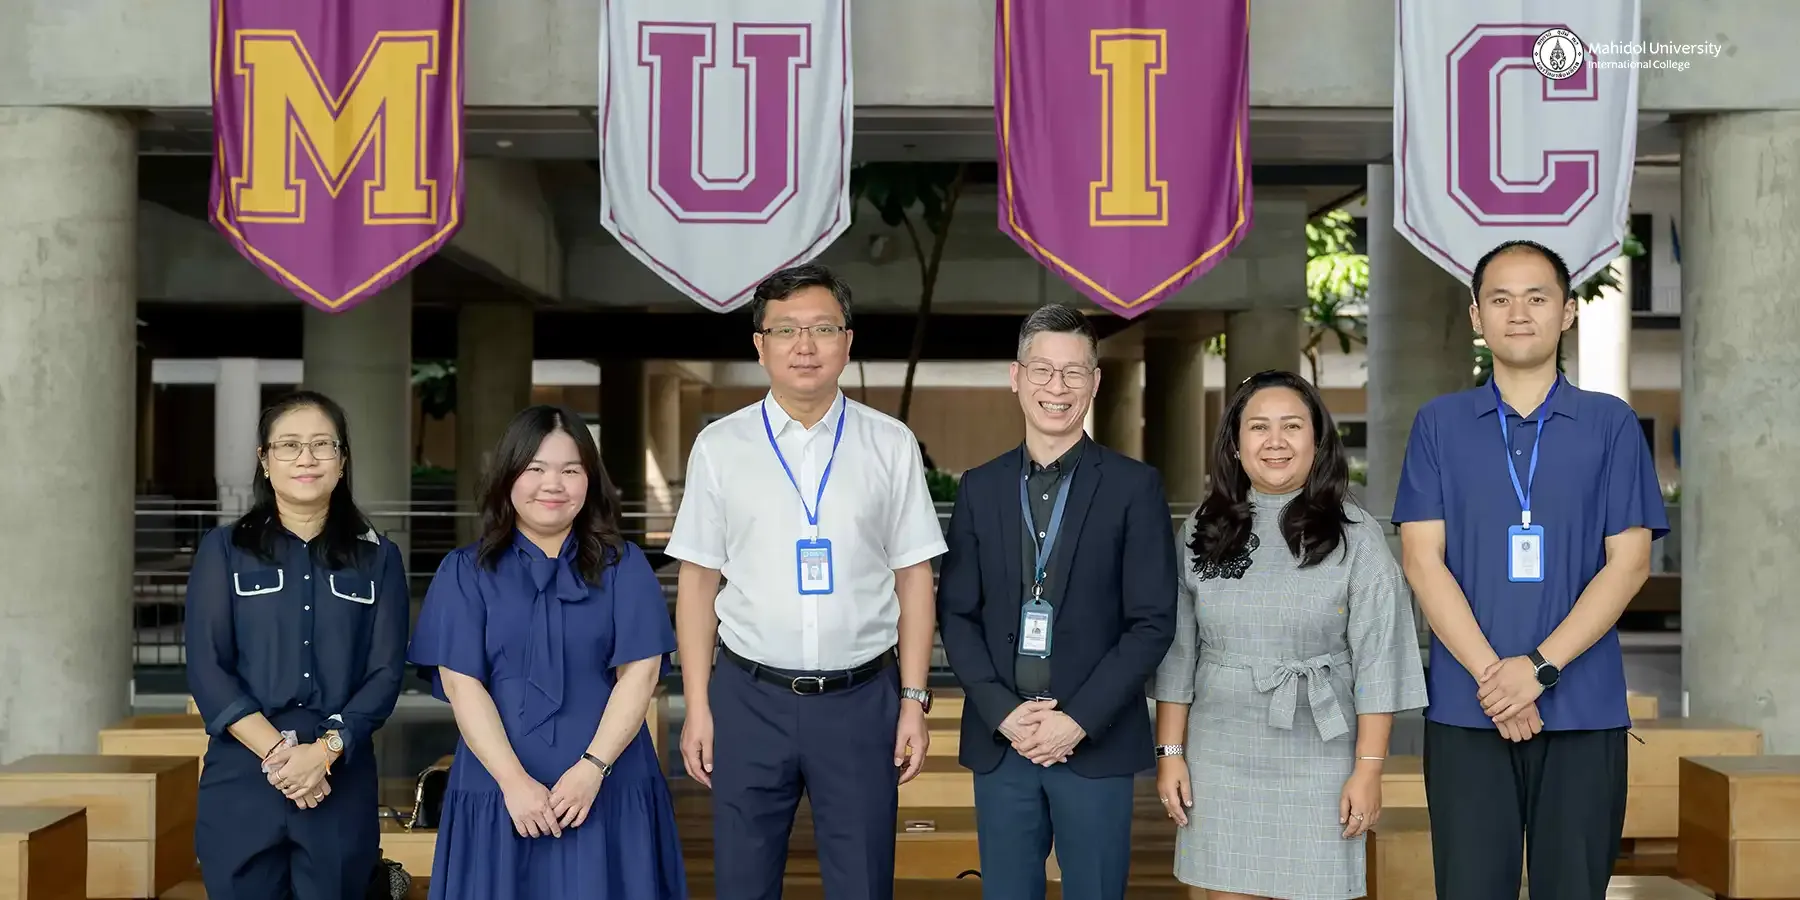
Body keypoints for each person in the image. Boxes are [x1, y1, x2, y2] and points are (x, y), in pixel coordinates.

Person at [1393, 240, 1667, 900]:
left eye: (1538, 297)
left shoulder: (1611, 424)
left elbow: (1628, 565)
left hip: (1582, 708)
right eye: (1501, 299)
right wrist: (1498, 680)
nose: (1520, 313)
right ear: (1476, 316)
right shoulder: (1439, 424)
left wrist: (1537, 670)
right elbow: (1421, 561)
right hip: (1469, 710)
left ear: (1568, 313)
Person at [668, 263, 947, 900]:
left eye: (822, 327)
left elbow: (915, 579)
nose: (805, 344)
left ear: (848, 341)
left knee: (864, 882)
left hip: (861, 700)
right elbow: (698, 583)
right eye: (785, 329)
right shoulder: (720, 445)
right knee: (743, 881)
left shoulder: (890, 444)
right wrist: (698, 704)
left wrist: (913, 699)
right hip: (748, 698)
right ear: (759, 344)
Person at [1150, 370, 1428, 900]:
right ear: (1235, 443)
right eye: (1258, 427)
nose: (1274, 442)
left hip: (1322, 756)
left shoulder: (1357, 535)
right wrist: (1170, 754)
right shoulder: (1200, 530)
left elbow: (1378, 662)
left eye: (1292, 427)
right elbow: (1177, 655)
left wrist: (1369, 770)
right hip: (1220, 755)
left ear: (1318, 440)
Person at [936, 304, 1178, 900]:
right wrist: (1002, 711)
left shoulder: (1134, 487)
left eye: (1074, 372)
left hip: (1092, 742)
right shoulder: (980, 487)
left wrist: (1076, 721)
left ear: (1095, 382)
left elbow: (1152, 622)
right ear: (1016, 377)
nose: (1057, 387)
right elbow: (957, 614)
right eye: (1042, 370)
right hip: (1004, 741)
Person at [408, 405, 684, 900]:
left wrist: (591, 770)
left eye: (570, 470)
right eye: (535, 469)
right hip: (499, 789)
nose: (552, 484)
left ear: (590, 481)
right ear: (508, 477)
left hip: (609, 785)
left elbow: (639, 676)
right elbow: (460, 684)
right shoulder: (464, 571)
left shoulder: (626, 567)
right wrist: (514, 783)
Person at [185, 391, 410, 899]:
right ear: (265, 461)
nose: (305, 458)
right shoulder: (225, 550)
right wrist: (282, 756)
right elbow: (207, 666)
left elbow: (386, 673)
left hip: (339, 774)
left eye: (321, 445)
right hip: (244, 772)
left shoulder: (378, 558)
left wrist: (324, 752)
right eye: (288, 445)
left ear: (342, 460)